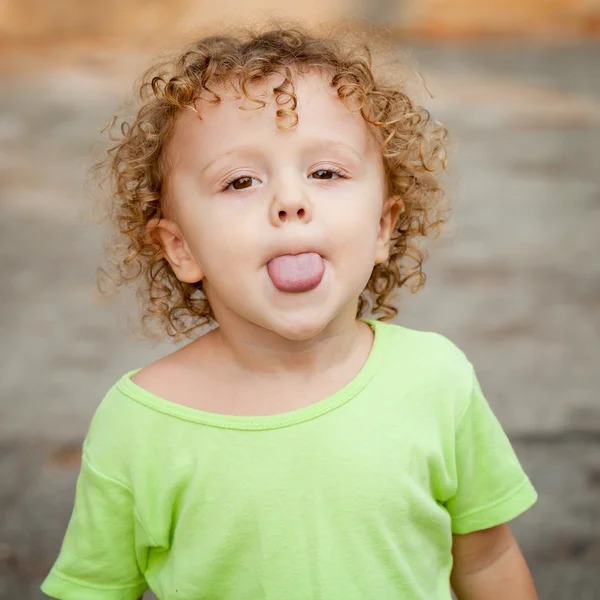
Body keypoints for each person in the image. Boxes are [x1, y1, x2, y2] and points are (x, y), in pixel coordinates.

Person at [42, 24, 538, 600]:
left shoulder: (436, 380)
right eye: (240, 180)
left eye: (325, 172)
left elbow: (485, 561)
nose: (290, 201)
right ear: (180, 248)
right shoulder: (140, 425)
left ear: (382, 227)